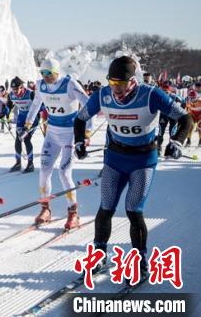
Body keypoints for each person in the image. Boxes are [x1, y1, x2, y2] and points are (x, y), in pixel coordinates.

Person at [74, 56, 192, 283]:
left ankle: (140, 263)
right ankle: (99, 256)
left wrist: (177, 141)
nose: (116, 89)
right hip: (115, 159)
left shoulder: (150, 94)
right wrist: (80, 141)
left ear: (132, 81)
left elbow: (186, 118)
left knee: (133, 210)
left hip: (142, 161)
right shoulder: (103, 95)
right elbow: (80, 119)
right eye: (112, 83)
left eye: (121, 84)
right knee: (106, 207)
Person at [24, 57, 89, 230]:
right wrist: (28, 124)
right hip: (52, 134)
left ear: (57, 72)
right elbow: (35, 105)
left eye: (49, 73)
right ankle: (45, 210)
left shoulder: (69, 84)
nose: (46, 76)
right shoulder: (40, 85)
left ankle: (73, 213)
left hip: (70, 135)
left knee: (64, 173)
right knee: (44, 171)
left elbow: (88, 104)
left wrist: (86, 133)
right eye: (43, 73)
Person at [6, 77, 38, 173]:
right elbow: (9, 107)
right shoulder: (11, 95)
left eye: (16, 89)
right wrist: (4, 115)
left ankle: (30, 164)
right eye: (13, 89)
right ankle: (18, 163)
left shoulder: (30, 93)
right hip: (21, 117)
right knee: (18, 139)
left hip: (32, 118)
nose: (15, 91)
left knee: (26, 138)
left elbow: (41, 105)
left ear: (22, 87)